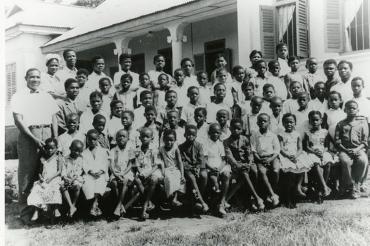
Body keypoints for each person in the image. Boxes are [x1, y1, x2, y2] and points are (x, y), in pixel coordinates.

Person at [11, 68, 59, 223]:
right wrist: (34, 139)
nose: (35, 80)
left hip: (47, 135)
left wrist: (55, 138)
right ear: (26, 78)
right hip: (29, 136)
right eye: (32, 77)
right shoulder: (19, 96)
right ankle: (26, 214)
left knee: (46, 173)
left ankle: (45, 213)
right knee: (27, 175)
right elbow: (18, 120)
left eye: (38, 77)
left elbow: (54, 118)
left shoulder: (46, 96)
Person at [224, 118, 265, 211]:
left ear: (242, 129)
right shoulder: (226, 141)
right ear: (230, 128)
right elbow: (229, 156)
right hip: (235, 165)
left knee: (254, 171)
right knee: (244, 173)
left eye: (238, 129)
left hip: (247, 163)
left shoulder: (245, 139)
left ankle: (252, 198)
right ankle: (257, 198)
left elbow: (249, 153)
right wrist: (238, 165)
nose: (236, 131)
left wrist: (249, 162)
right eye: (234, 128)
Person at [335, 100, 369, 198]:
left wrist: (357, 150)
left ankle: (357, 185)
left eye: (353, 108)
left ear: (357, 110)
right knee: (345, 162)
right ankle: (350, 187)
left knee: (363, 160)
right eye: (349, 108)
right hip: (344, 150)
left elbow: (364, 142)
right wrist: (345, 150)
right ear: (345, 110)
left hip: (358, 149)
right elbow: (338, 141)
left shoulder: (362, 124)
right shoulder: (340, 124)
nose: (351, 110)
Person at [278, 113, 312, 207]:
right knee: (290, 174)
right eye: (286, 122)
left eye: (291, 122)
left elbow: (300, 148)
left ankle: (297, 189)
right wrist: (288, 156)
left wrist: (296, 156)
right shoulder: (281, 135)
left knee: (301, 166)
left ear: (295, 123)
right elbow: (280, 148)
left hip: (296, 155)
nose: (289, 124)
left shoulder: (297, 134)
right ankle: (288, 199)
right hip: (285, 155)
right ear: (283, 123)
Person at [27, 138, 63, 221]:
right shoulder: (42, 158)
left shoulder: (58, 157)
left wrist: (51, 178)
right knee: (37, 188)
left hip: (54, 178)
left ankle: (55, 208)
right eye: (48, 148)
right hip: (44, 179)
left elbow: (59, 171)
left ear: (56, 148)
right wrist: (40, 178)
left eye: (52, 148)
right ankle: (36, 211)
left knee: (54, 188)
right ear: (45, 148)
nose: (50, 150)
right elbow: (39, 172)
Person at [131, 127, 163, 220]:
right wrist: (140, 172)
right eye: (143, 136)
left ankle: (145, 206)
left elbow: (157, 165)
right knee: (136, 179)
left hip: (152, 171)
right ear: (139, 138)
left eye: (147, 137)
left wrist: (148, 174)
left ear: (151, 138)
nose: (145, 138)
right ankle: (149, 202)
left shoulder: (154, 150)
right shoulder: (136, 150)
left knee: (154, 179)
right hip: (142, 171)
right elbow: (136, 164)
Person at [250, 113, 280, 206]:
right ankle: (272, 195)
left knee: (275, 170)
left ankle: (270, 192)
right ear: (257, 123)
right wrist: (259, 159)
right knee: (262, 172)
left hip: (272, 157)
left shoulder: (273, 135)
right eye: (260, 121)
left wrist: (270, 159)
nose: (262, 123)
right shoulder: (255, 135)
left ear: (269, 123)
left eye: (265, 121)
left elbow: (277, 150)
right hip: (260, 158)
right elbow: (253, 149)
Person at [303, 111, 333, 202]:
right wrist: (315, 152)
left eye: (317, 120)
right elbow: (307, 147)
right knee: (316, 164)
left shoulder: (325, 132)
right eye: (313, 120)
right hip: (312, 152)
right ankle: (324, 187)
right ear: (310, 121)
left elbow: (327, 146)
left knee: (328, 163)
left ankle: (321, 189)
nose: (315, 122)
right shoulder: (308, 133)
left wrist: (323, 151)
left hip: (323, 151)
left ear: (321, 121)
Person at [179, 125, 209, 213]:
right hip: (187, 169)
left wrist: (198, 168)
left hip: (198, 167)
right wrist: (191, 168)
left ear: (196, 136)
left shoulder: (199, 145)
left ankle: (198, 199)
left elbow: (201, 159)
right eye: (188, 134)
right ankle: (202, 202)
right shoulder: (181, 147)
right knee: (192, 178)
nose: (191, 136)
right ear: (184, 135)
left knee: (204, 175)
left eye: (193, 135)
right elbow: (182, 161)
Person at [204, 123, 231, 216]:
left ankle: (222, 202)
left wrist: (220, 168)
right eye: (213, 132)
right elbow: (204, 159)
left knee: (226, 174)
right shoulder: (206, 143)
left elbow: (223, 159)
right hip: (209, 165)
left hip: (220, 165)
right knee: (212, 178)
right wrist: (211, 168)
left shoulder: (220, 143)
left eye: (218, 133)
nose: (215, 134)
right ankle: (215, 201)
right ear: (209, 133)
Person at [82, 129, 110, 217]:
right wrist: (91, 172)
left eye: (94, 139)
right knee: (88, 183)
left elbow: (105, 163)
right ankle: (95, 205)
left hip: (100, 174)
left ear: (97, 139)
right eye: (90, 139)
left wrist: (101, 171)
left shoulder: (103, 151)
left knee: (100, 182)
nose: (92, 141)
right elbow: (84, 165)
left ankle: (94, 204)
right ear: (87, 139)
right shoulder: (84, 153)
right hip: (89, 174)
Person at [109, 129, 135, 217]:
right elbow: (111, 165)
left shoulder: (130, 150)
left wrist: (123, 174)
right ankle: (121, 206)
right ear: (116, 139)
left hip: (126, 172)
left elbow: (131, 164)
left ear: (128, 139)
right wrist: (116, 174)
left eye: (124, 136)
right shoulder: (113, 150)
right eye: (119, 136)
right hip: (116, 173)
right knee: (114, 183)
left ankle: (118, 205)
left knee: (125, 181)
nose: (121, 138)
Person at [157, 129, 185, 206]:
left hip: (175, 168)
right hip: (166, 169)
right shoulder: (161, 149)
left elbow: (180, 162)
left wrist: (182, 175)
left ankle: (174, 198)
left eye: (171, 140)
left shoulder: (176, 149)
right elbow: (161, 162)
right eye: (167, 140)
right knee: (168, 178)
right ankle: (170, 198)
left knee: (178, 177)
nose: (169, 142)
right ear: (163, 140)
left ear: (175, 140)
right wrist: (163, 173)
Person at [61, 140, 84, 218]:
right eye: (75, 150)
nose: (77, 153)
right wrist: (65, 178)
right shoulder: (65, 159)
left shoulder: (80, 159)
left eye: (79, 151)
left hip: (75, 179)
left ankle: (73, 205)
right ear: (70, 148)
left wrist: (72, 179)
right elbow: (63, 171)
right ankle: (71, 207)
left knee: (77, 186)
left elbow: (79, 172)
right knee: (62, 186)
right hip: (66, 178)